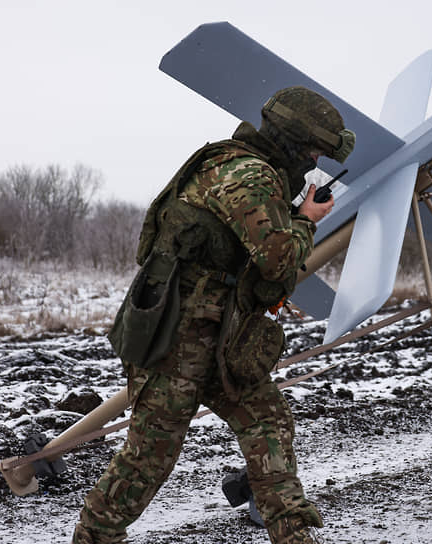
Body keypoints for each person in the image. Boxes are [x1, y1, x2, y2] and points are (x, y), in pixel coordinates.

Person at [72, 86, 355, 543]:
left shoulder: (240, 166)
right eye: (313, 150)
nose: (314, 161)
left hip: (218, 335)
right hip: (175, 341)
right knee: (149, 457)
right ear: (293, 141)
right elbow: (278, 260)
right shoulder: (248, 175)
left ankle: (294, 534)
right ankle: (94, 537)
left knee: (269, 422)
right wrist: (306, 218)